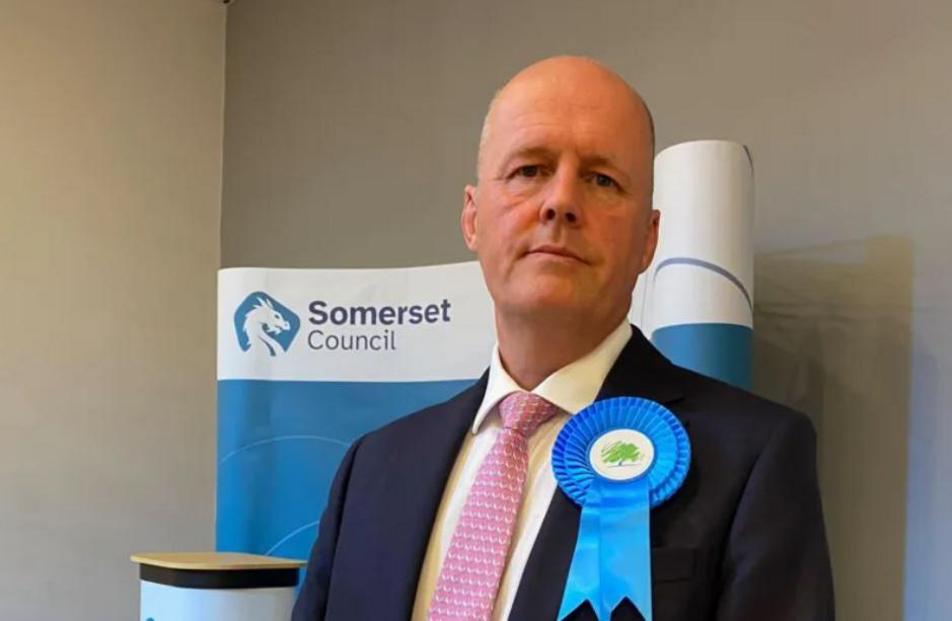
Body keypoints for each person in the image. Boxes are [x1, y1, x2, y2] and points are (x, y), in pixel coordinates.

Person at [293, 56, 834, 621]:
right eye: (529, 169)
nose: (560, 202)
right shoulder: (372, 467)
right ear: (473, 218)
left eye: (602, 179)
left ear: (649, 239)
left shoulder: (752, 458)